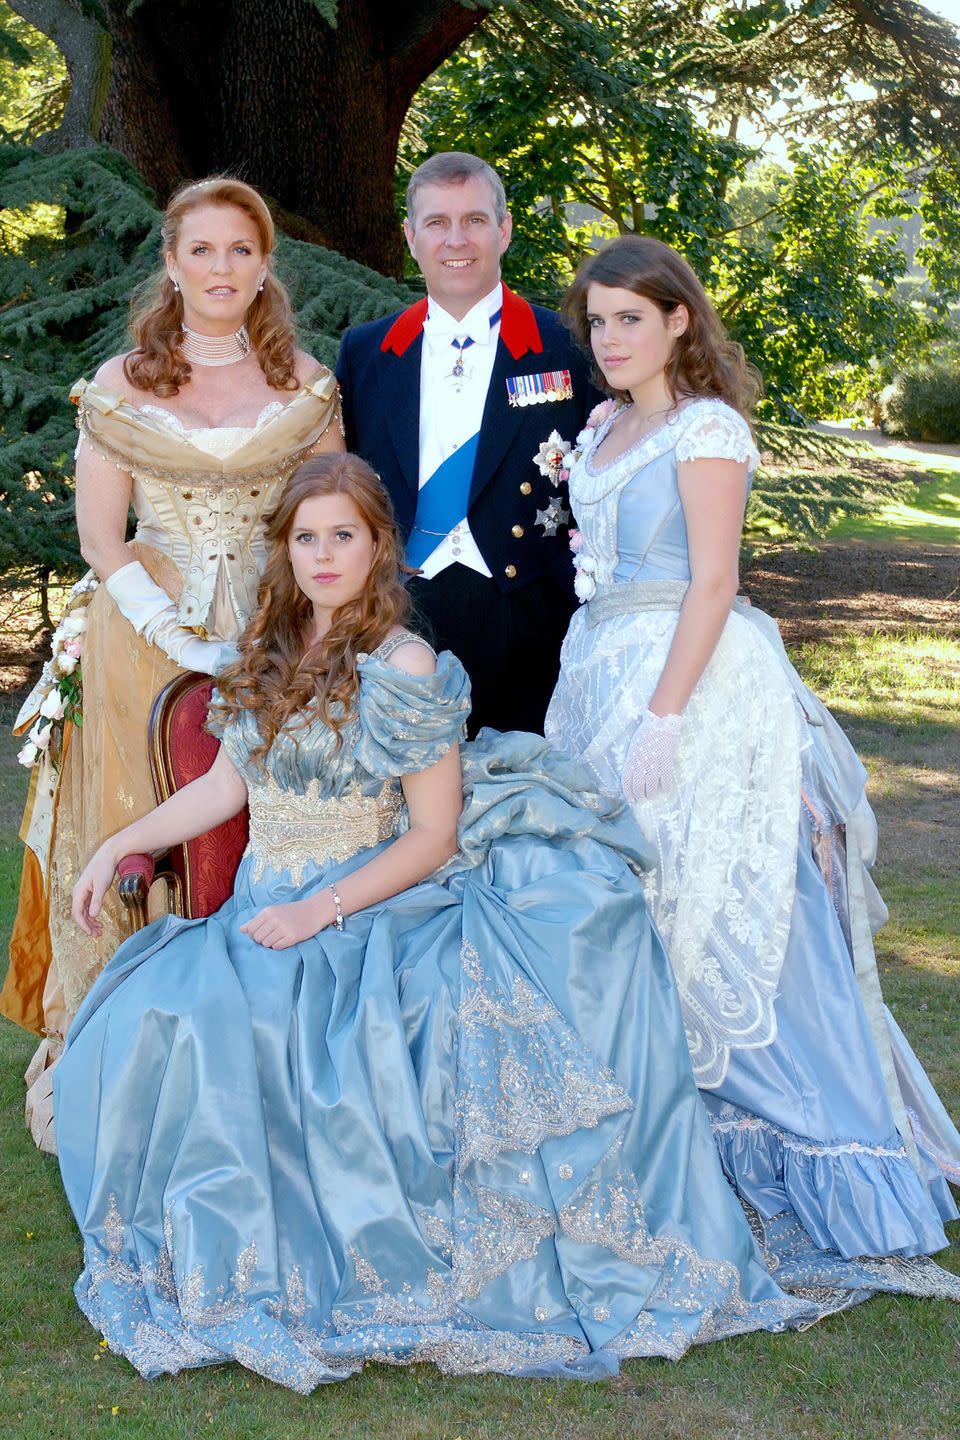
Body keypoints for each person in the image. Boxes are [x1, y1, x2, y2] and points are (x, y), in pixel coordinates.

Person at [53, 454, 836, 1391]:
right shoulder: (261, 649)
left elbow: (431, 836)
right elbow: (225, 787)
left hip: (366, 906)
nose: (324, 555)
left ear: (378, 547)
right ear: (286, 551)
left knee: (269, 1025)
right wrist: (115, 844)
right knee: (154, 1009)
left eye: (344, 535)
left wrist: (320, 910)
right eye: (307, 538)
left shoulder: (403, 664)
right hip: (263, 909)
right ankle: (206, 1235)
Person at [544, 234, 960, 1281]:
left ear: (680, 319)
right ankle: (651, 1151)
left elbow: (714, 581)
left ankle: (808, 1150)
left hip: (694, 688)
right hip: (598, 676)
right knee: (623, 910)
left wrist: (667, 717)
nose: (609, 339)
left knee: (717, 908)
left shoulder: (708, 429)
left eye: (630, 318)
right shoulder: (598, 427)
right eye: (597, 322)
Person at [1, 176, 343, 1153]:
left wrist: (285, 632)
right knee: (152, 804)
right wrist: (184, 637)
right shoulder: (120, 386)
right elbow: (104, 541)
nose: (222, 268)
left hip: (283, 621)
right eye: (203, 250)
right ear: (172, 262)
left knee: (292, 810)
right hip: (146, 627)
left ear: (264, 263)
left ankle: (271, 1037)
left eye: (241, 250)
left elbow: (330, 521)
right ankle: (138, 1037)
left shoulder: (308, 385)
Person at [336, 152, 597, 737]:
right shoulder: (365, 353)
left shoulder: (568, 347)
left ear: (504, 231)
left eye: (475, 220)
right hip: (398, 615)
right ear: (410, 236)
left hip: (530, 616)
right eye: (436, 222)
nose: (457, 239)